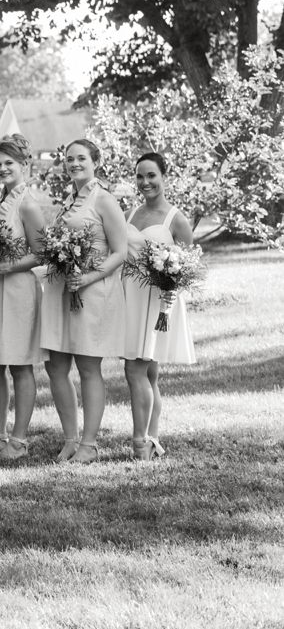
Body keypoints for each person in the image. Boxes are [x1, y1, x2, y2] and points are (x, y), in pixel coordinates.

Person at [39, 138, 128, 464]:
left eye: (81, 158)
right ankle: (70, 439)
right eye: (69, 159)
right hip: (63, 291)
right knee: (56, 366)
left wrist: (88, 278)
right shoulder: (69, 201)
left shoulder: (104, 200)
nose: (74, 163)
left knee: (88, 367)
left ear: (96, 161)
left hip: (92, 292)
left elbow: (120, 252)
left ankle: (89, 444)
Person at [0, 133, 45, 462]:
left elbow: (42, 254)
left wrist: (5, 266)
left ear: (24, 164)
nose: (2, 168)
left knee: (19, 365)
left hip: (16, 290)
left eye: (9, 163)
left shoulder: (27, 204)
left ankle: (18, 440)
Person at [121, 152, 196, 461]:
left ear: (164, 176)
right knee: (149, 376)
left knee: (134, 369)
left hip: (158, 302)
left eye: (151, 175)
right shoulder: (131, 214)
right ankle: (152, 438)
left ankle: (140, 442)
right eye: (140, 176)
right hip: (132, 298)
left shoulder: (175, 218)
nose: (145, 182)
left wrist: (172, 289)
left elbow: (189, 267)